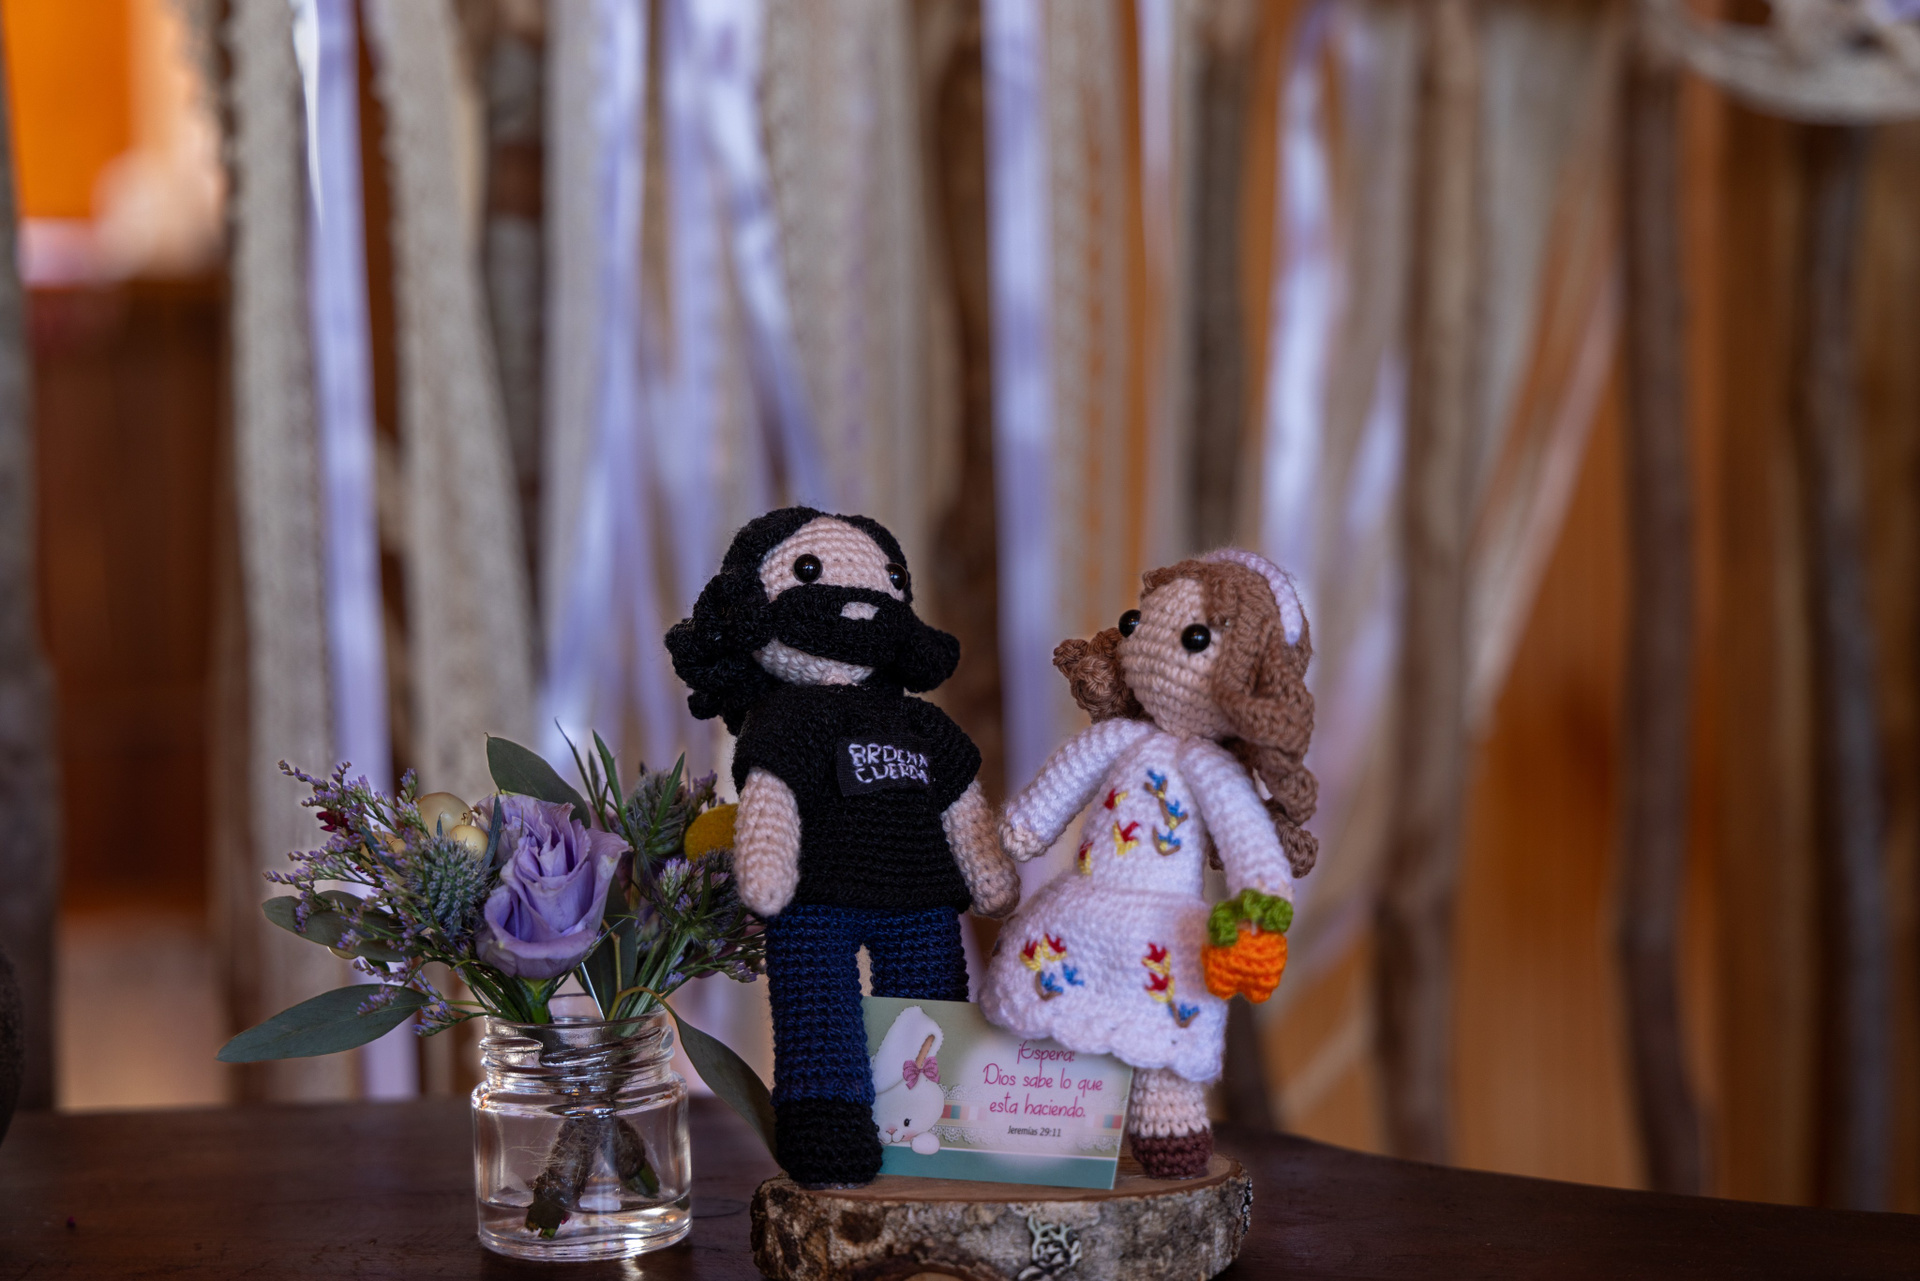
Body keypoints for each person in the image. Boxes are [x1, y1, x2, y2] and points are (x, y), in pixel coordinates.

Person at [665, 507, 1018, 1186]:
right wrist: (766, 867)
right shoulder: (788, 719)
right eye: (808, 572)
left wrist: (988, 873)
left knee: (928, 1010)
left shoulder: (921, 722)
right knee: (817, 1009)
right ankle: (826, 1118)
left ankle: (931, 1126)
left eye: (888, 581)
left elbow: (961, 800)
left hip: (920, 896)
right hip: (815, 898)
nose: (860, 599)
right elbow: (771, 792)